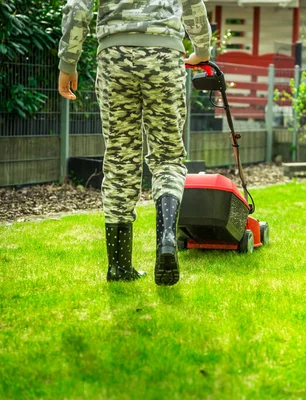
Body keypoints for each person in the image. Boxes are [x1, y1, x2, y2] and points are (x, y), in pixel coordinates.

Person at [57, 0, 211, 285]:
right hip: (165, 54)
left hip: (115, 57)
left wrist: (68, 62)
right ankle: (166, 239)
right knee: (167, 157)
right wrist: (201, 50)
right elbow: (192, 5)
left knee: (119, 159)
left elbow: (78, 6)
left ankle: (119, 266)